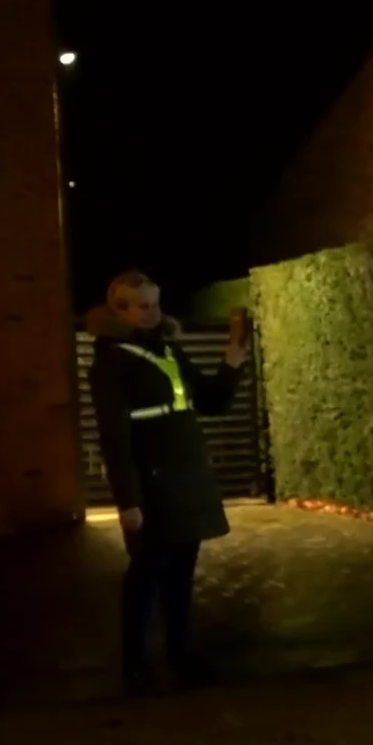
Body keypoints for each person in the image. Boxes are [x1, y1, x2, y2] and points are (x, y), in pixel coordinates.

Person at [86, 270, 250, 695]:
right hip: (154, 482)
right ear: (118, 309)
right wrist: (127, 500)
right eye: (142, 304)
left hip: (186, 476)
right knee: (147, 573)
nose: (152, 311)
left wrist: (231, 363)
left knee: (181, 572)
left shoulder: (169, 349)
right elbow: (113, 436)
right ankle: (136, 665)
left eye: (155, 302)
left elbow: (210, 401)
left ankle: (182, 655)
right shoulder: (110, 362)